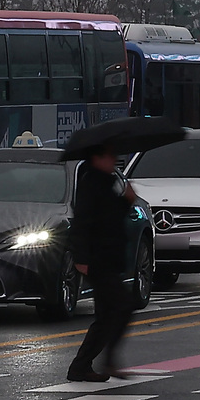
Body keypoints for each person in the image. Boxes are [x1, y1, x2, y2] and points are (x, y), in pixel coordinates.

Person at [67, 145, 138, 382]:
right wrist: (81, 258)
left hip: (107, 258)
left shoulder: (104, 182)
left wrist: (126, 200)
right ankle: (107, 361)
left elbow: (110, 218)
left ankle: (81, 366)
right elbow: (82, 223)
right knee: (123, 306)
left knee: (106, 316)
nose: (114, 160)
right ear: (97, 158)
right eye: (109, 155)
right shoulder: (91, 183)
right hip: (99, 260)